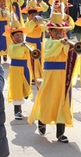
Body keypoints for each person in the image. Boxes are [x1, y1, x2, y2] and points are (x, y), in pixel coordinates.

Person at [28, 12, 74, 143]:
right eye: (56, 31)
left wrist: (66, 45)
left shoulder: (65, 43)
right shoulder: (48, 43)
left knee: (62, 101)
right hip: (50, 76)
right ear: (50, 32)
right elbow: (50, 51)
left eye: (62, 31)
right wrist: (61, 43)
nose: (60, 33)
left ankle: (60, 133)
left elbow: (69, 55)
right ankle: (42, 121)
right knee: (48, 100)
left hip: (63, 76)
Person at [4, 17, 32, 120]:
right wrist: (21, 46)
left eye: (21, 35)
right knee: (17, 90)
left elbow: (30, 54)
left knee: (26, 85)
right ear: (12, 37)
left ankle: (25, 95)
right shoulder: (12, 46)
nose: (19, 37)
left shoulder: (25, 45)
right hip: (15, 69)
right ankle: (17, 111)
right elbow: (14, 51)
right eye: (16, 35)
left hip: (25, 67)